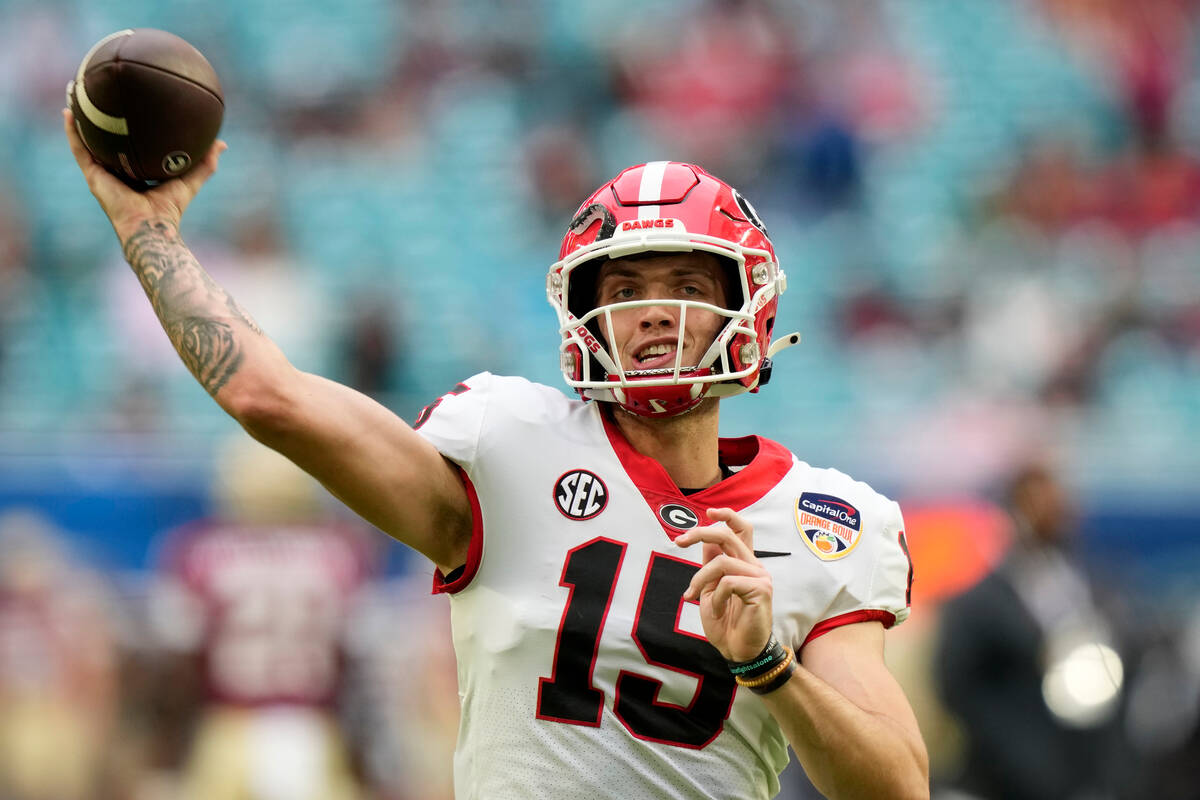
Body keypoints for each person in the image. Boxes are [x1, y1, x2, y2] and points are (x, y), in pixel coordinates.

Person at [64, 108, 928, 800]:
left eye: (688, 286)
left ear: (750, 308)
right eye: (625, 289)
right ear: (585, 315)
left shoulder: (826, 522)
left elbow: (894, 788)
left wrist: (769, 666)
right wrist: (150, 233)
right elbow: (270, 398)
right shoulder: (508, 446)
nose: (654, 313)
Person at [934, 461, 1131, 800]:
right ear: (1013, 510)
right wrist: (1014, 753)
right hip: (1003, 779)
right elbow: (953, 685)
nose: (1051, 513)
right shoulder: (978, 603)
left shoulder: (1092, 591)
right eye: (1036, 502)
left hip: (1083, 771)